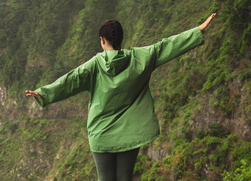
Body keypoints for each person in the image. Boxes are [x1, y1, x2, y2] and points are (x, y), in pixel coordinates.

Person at [25, 13, 217, 181]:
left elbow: (70, 81)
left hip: (101, 133)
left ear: (102, 40)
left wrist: (44, 92)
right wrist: (198, 30)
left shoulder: (95, 64)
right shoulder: (140, 57)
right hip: (130, 132)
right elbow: (167, 46)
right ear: (122, 38)